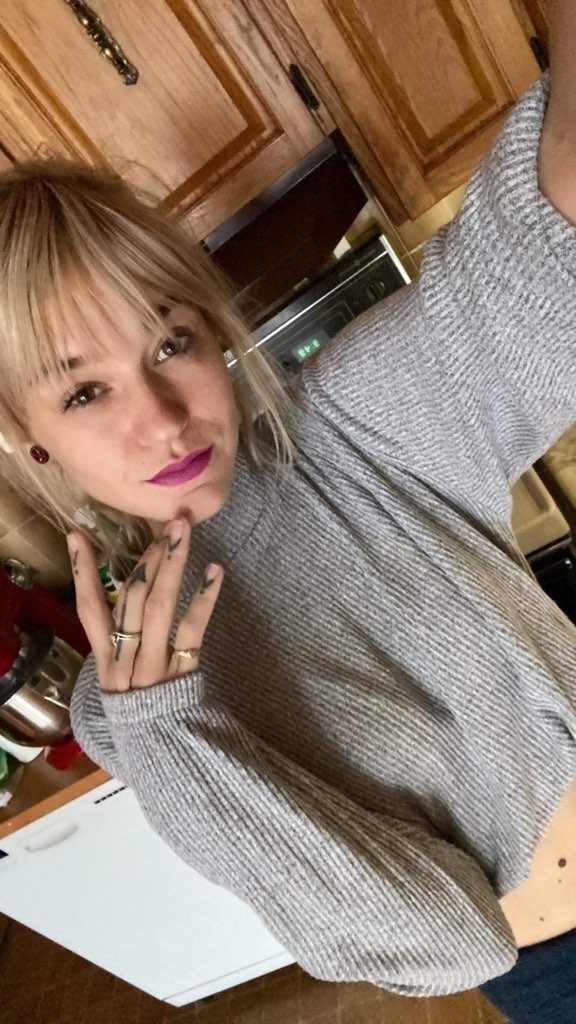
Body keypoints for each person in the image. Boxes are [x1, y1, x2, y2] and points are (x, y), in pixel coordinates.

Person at [1, 14, 576, 1024]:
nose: (165, 418)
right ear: (26, 436)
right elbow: (445, 939)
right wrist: (170, 734)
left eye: (170, 342)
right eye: (84, 392)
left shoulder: (355, 423)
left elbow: (546, 233)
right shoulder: (118, 713)